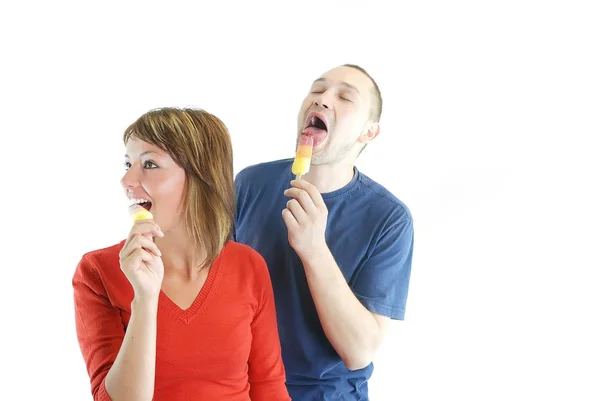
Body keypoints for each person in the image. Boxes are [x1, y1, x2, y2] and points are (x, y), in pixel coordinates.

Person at [73, 107, 291, 401]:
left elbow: (269, 388)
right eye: (128, 163)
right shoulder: (97, 271)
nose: (127, 180)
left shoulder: (248, 265)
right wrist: (146, 299)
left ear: (200, 177)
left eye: (149, 164)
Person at [233, 64, 414, 400]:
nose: (323, 100)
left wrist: (314, 249)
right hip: (241, 387)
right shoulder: (249, 184)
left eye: (345, 97)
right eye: (317, 90)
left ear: (368, 132)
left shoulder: (389, 217)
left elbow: (359, 350)